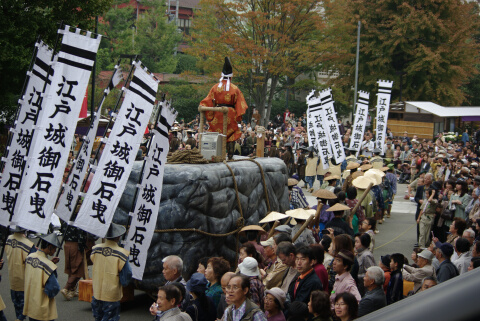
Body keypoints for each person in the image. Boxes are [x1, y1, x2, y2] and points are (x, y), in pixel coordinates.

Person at [199, 57, 248, 159]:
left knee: (216, 134)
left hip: (217, 113)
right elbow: (240, 104)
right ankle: (230, 156)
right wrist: (238, 116)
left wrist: (203, 107)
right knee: (232, 135)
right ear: (231, 77)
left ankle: (215, 155)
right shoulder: (235, 88)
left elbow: (208, 100)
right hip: (230, 114)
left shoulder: (215, 87)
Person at [91, 223, 132, 321]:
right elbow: (127, 274)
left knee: (98, 317)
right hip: (111, 293)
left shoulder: (96, 249)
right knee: (110, 318)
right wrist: (124, 283)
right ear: (118, 237)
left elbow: (93, 260)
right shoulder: (122, 253)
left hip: (97, 290)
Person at [23, 233, 61, 321]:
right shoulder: (48, 265)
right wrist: (51, 266)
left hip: (31, 305)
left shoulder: (29, 257)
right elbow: (54, 288)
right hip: (42, 308)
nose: (55, 250)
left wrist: (50, 263)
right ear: (50, 246)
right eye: (55, 248)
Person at [5, 226, 36, 321]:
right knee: (29, 309)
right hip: (25, 282)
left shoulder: (9, 239)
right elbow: (34, 263)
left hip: (13, 279)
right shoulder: (28, 244)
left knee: (17, 306)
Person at [60, 224, 87, 301]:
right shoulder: (78, 220)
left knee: (72, 268)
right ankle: (66, 288)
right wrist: (82, 248)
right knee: (78, 268)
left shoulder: (67, 218)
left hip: (67, 244)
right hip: (75, 245)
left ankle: (72, 289)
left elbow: (62, 230)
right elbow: (81, 236)